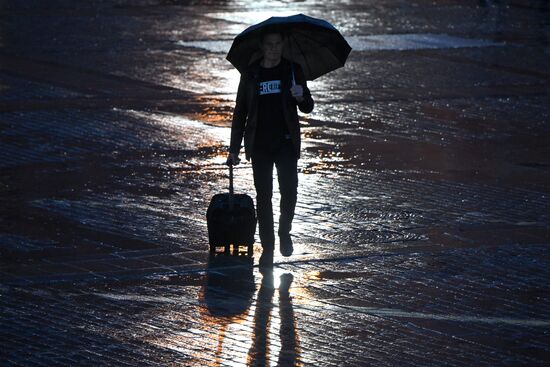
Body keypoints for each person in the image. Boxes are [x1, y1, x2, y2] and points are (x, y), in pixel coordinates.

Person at [226, 31, 314, 268]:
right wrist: (234, 149)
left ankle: (284, 232)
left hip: (285, 143)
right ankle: (268, 246)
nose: (274, 49)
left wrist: (301, 96)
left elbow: (308, 106)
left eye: (278, 44)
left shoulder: (292, 70)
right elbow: (240, 112)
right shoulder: (251, 73)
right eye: (270, 45)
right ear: (262, 47)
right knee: (263, 197)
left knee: (289, 191)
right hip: (260, 145)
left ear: (283, 45)